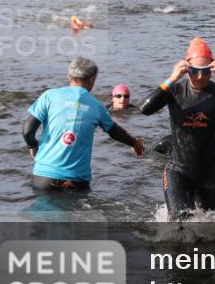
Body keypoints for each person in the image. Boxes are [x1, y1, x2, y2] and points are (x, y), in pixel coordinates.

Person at [139, 38, 215, 219]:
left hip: (210, 174)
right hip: (178, 171)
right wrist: (172, 78)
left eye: (205, 71)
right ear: (186, 67)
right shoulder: (175, 91)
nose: (199, 77)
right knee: (179, 223)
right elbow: (145, 109)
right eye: (194, 71)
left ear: (212, 68)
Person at [22, 57, 144, 191]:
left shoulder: (48, 96)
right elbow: (115, 132)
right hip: (77, 181)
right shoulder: (97, 106)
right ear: (92, 80)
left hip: (44, 178)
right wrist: (134, 143)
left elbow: (27, 131)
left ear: (69, 75)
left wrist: (32, 145)